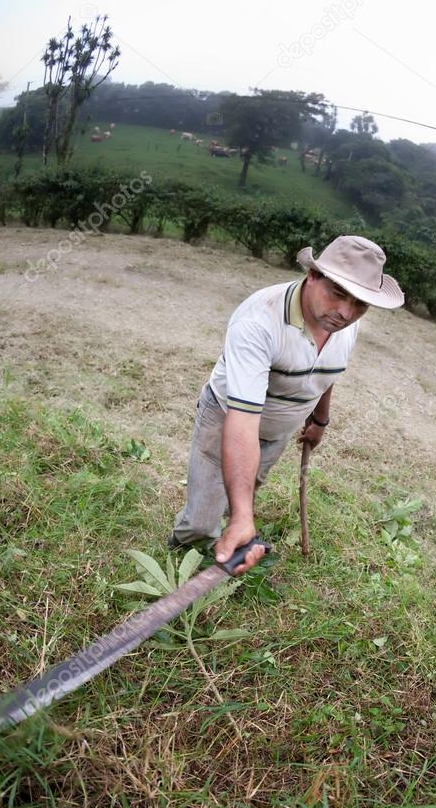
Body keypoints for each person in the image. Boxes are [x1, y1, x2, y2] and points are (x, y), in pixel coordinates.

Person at [170, 235, 404, 573]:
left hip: (279, 430)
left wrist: (319, 420)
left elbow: (326, 372)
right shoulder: (258, 321)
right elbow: (242, 421)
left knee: (244, 492)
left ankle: (226, 538)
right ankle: (178, 562)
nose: (346, 313)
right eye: (338, 294)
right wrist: (243, 517)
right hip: (228, 421)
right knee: (201, 521)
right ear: (312, 276)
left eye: (360, 304)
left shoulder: (345, 323)